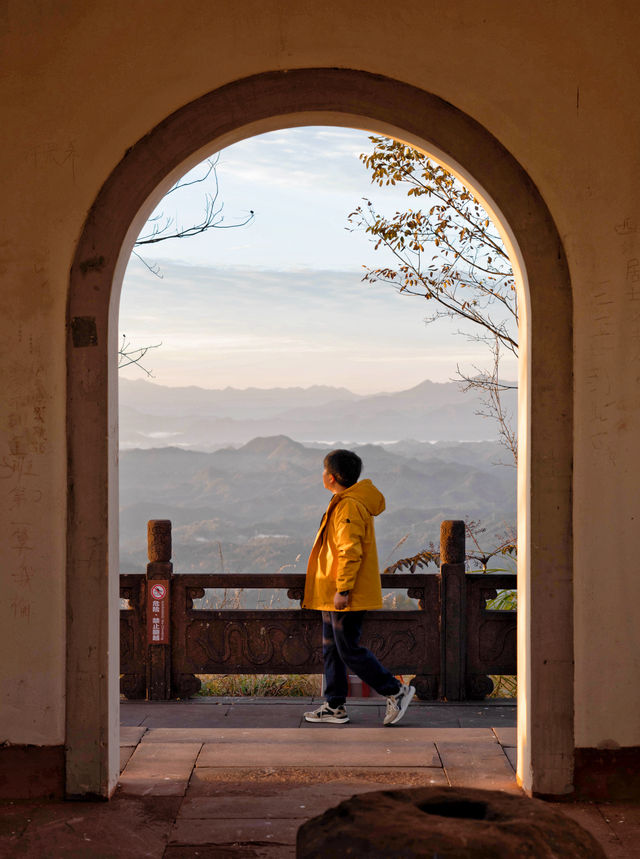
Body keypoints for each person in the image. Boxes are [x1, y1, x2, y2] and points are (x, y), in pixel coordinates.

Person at [302, 449, 415, 726]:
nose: (322, 475)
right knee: (332, 648)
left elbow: (349, 551)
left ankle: (395, 690)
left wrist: (343, 589)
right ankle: (334, 706)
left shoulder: (349, 506)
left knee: (348, 649)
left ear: (331, 476)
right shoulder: (343, 501)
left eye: (324, 470)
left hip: (344, 593)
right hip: (332, 591)